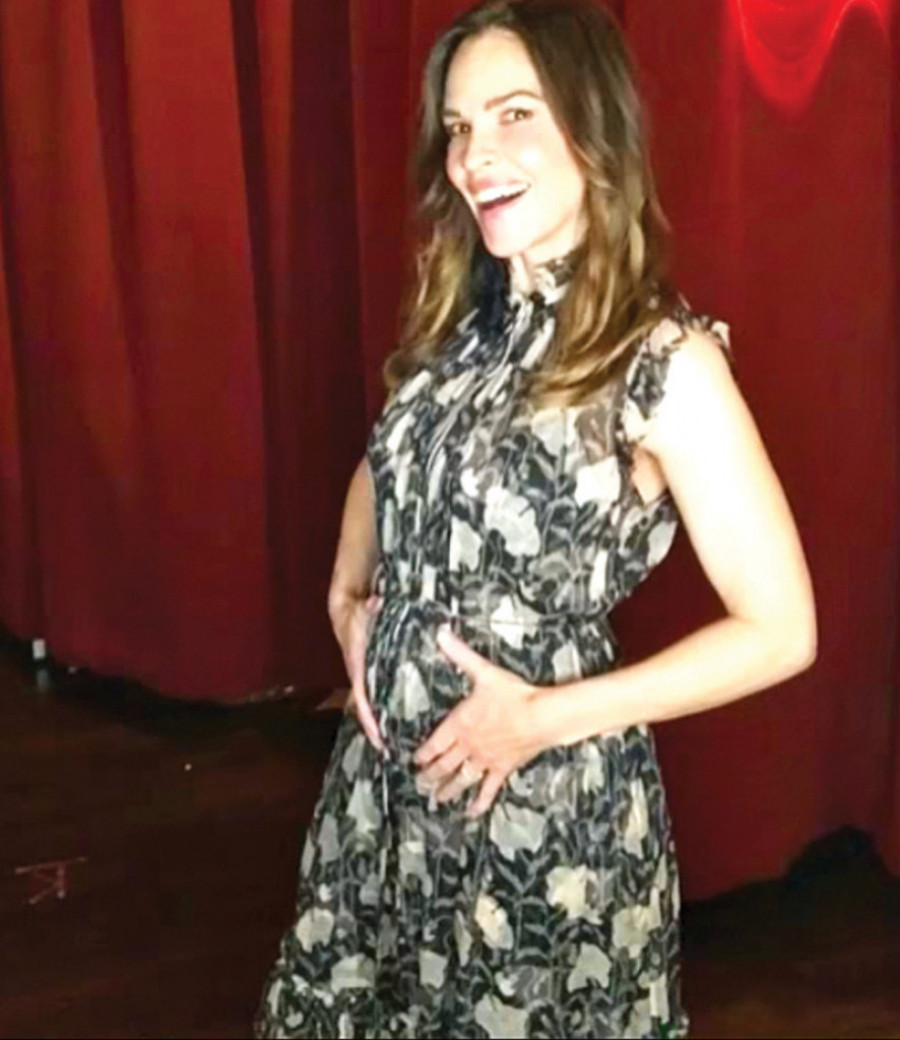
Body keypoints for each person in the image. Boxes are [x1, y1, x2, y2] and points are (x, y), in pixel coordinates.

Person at [255, 1, 816, 1037]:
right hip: (385, 799)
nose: (475, 156)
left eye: (515, 113)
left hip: (541, 821)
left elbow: (782, 629)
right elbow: (383, 469)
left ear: (593, 129)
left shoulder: (665, 362)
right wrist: (347, 601)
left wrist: (539, 719)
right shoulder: (461, 330)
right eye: (460, 127)